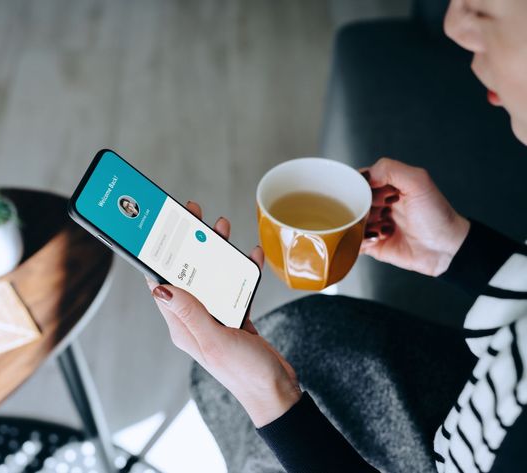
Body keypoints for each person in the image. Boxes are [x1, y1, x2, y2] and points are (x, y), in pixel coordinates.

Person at [148, 0, 527, 471]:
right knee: (298, 331)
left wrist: (270, 397)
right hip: (479, 391)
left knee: (270, 391)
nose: (452, 23)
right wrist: (457, 250)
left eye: (488, 6)